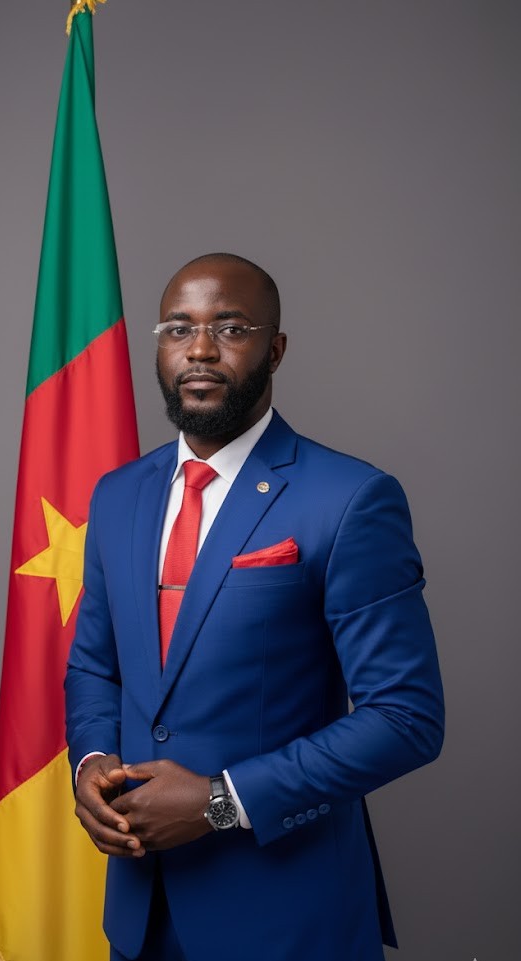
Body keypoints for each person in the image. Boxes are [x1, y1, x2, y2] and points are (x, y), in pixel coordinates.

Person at [65, 253, 444, 961]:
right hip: (141, 911)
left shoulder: (349, 499)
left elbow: (406, 717)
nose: (200, 349)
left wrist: (221, 800)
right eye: (178, 328)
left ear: (275, 349)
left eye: (230, 327)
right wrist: (90, 762)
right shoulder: (117, 495)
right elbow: (94, 665)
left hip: (288, 918)